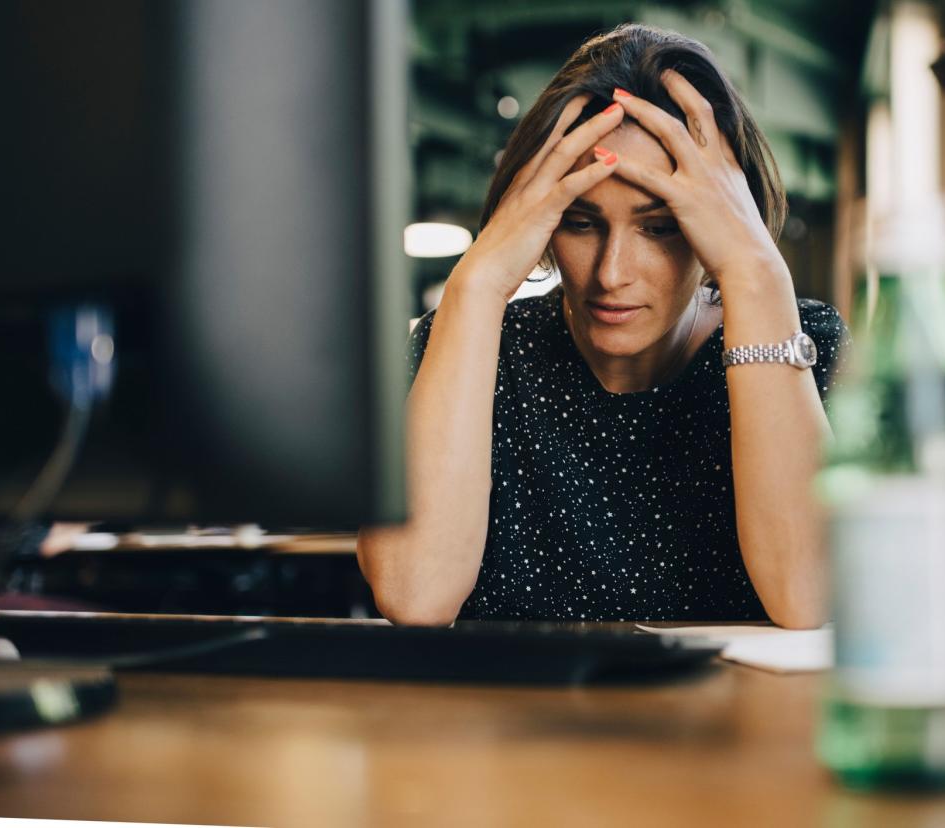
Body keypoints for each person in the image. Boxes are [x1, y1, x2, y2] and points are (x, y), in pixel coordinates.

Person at [358, 23, 847, 628]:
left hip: (730, 723)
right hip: (515, 721)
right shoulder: (456, 344)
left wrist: (755, 274)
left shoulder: (808, 345)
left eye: (661, 227)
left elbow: (811, 598)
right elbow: (413, 595)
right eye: (581, 223)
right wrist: (477, 283)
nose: (612, 274)